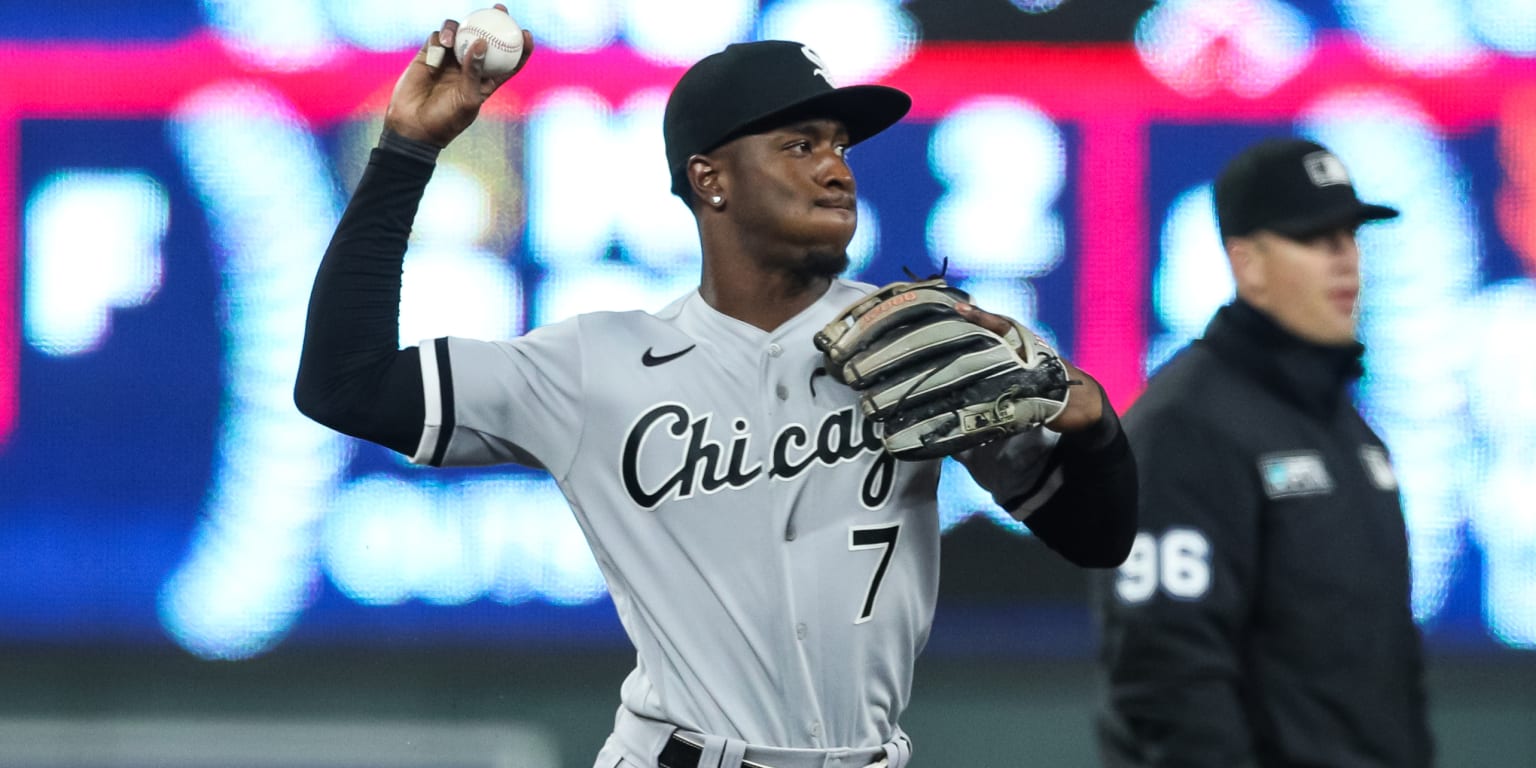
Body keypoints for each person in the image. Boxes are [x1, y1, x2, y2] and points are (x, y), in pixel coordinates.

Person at [295, 10, 1138, 767]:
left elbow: (1097, 538)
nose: (836, 169)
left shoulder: (916, 343)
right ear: (710, 180)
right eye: (799, 145)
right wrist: (408, 152)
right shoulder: (597, 364)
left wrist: (1095, 425)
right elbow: (344, 386)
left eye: (840, 145)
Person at [1093, 137, 1433, 767]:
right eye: (1315, 238)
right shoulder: (1185, 426)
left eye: (1351, 235)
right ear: (1246, 263)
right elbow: (1168, 681)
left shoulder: (1345, 430)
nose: (1345, 261)